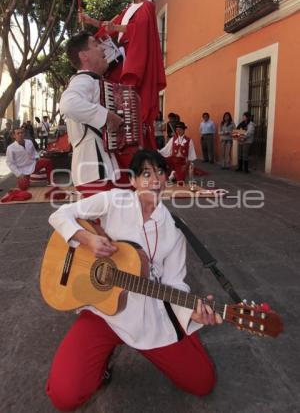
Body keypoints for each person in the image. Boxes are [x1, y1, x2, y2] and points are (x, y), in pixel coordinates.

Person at [46, 149, 222, 411]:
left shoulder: (174, 229)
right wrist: (88, 238)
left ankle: (181, 334)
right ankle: (102, 362)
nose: (154, 180)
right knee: (64, 395)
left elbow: (175, 283)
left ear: (167, 179)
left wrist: (191, 314)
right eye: (146, 174)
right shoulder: (114, 200)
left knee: (202, 382)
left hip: (149, 316)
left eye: (160, 173)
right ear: (134, 181)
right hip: (102, 311)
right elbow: (59, 215)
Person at [79, 0, 166, 150]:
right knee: (115, 103)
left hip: (133, 62)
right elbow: (109, 27)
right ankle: (118, 143)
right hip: (119, 61)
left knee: (131, 107)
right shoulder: (128, 9)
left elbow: (139, 28)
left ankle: (135, 147)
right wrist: (89, 20)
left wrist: (116, 27)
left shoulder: (148, 5)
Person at [59, 31, 124, 196]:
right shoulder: (83, 80)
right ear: (84, 56)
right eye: (95, 44)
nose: (103, 49)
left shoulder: (94, 81)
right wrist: (108, 117)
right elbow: (68, 104)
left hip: (99, 169)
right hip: (93, 170)